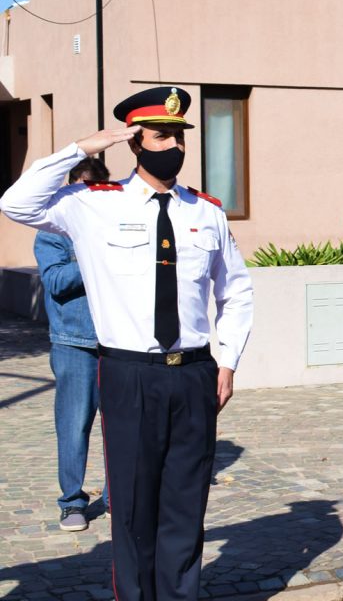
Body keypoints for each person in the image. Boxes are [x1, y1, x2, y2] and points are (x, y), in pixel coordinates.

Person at [0, 86, 254, 601]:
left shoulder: (204, 211)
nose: (174, 147)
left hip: (194, 372)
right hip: (128, 372)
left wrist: (227, 363)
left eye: (180, 136)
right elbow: (16, 202)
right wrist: (82, 148)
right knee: (134, 508)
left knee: (186, 504)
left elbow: (236, 291)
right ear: (136, 142)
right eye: (162, 136)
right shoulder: (89, 205)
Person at [35, 157, 111, 532]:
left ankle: (118, 497)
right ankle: (72, 502)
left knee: (120, 425)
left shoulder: (115, 225)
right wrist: (94, 250)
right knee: (73, 425)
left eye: (95, 191)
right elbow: (56, 281)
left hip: (118, 341)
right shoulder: (53, 231)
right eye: (82, 190)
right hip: (73, 342)